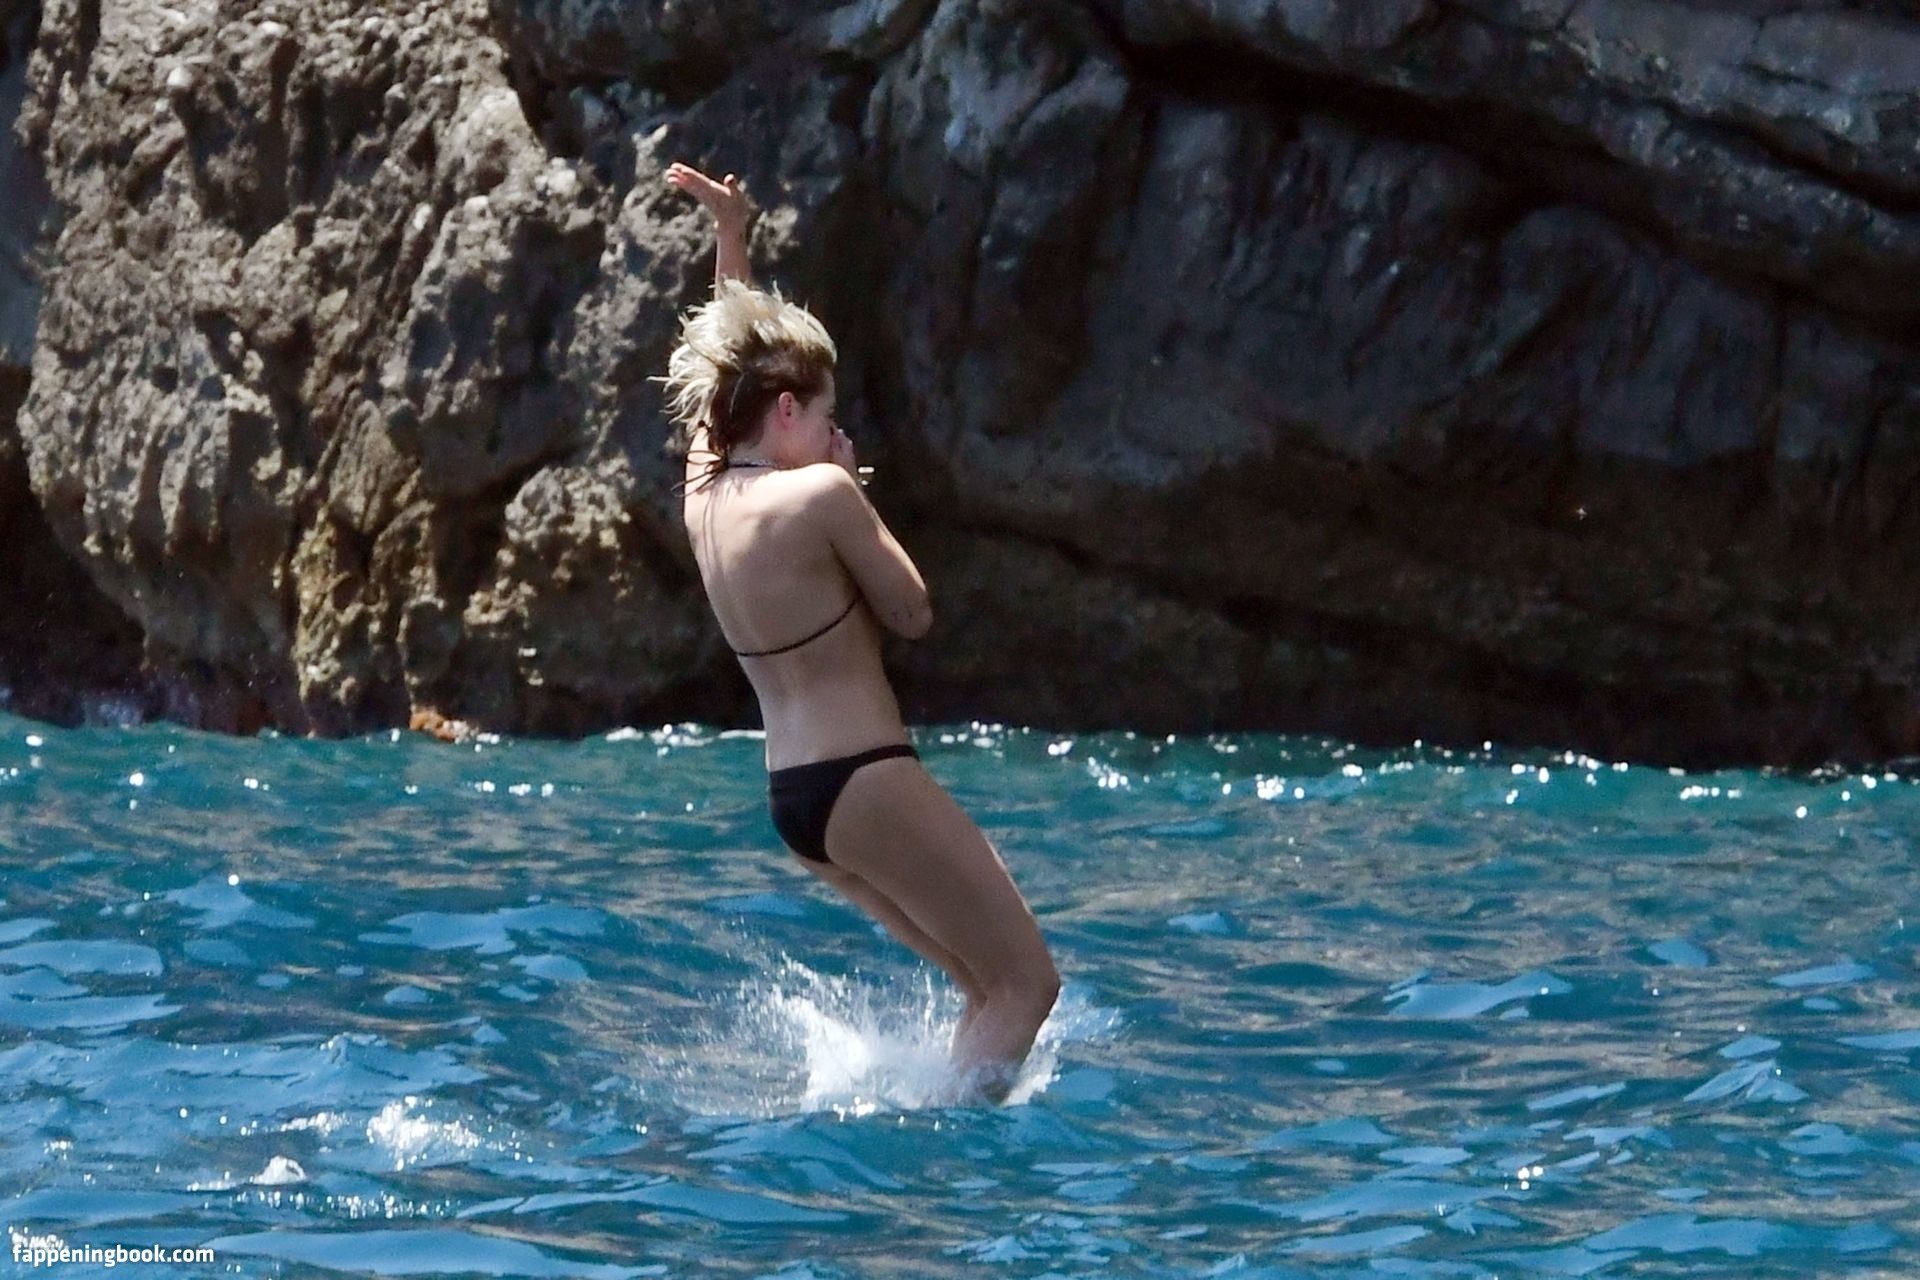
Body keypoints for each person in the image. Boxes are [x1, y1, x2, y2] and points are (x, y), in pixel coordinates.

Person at [660, 161, 1060, 1102]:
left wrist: (731, 239)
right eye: (827, 417)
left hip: (798, 803)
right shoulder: (821, 495)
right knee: (1026, 986)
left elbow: (728, 372)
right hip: (866, 776)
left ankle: (940, 1122)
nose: (838, 436)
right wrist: (851, 493)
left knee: (984, 985)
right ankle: (959, 1160)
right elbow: (912, 612)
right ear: (787, 412)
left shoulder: (702, 495)